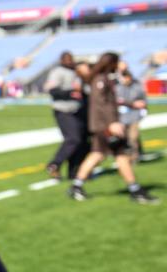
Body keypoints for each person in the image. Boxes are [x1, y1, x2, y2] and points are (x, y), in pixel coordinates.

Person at [68, 52, 158, 204]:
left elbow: (113, 101)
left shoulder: (104, 78)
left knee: (100, 154)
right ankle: (135, 190)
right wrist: (112, 123)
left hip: (104, 125)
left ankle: (77, 186)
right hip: (105, 126)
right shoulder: (100, 80)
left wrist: (130, 104)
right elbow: (102, 104)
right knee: (117, 155)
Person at [43, 52, 89, 179]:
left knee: (81, 142)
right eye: (67, 59)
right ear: (62, 60)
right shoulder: (58, 72)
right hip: (64, 110)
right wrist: (70, 93)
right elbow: (52, 90)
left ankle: (73, 171)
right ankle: (55, 164)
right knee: (73, 139)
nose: (69, 61)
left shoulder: (76, 72)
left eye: (71, 59)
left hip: (77, 110)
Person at [116, 70, 146, 164]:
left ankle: (135, 157)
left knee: (133, 137)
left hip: (134, 116)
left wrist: (143, 108)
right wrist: (131, 104)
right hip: (121, 117)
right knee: (124, 138)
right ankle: (126, 157)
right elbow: (118, 101)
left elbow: (143, 101)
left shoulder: (137, 87)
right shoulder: (118, 88)